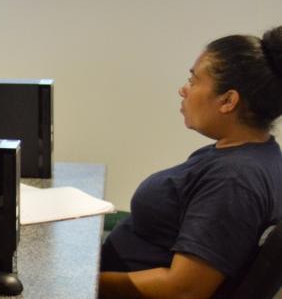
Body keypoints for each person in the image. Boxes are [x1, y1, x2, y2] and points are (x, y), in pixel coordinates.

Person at [98, 27, 282, 298]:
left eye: (194, 81)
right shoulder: (247, 154)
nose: (183, 90)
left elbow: (183, 289)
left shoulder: (234, 180)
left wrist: (80, 279)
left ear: (228, 100)